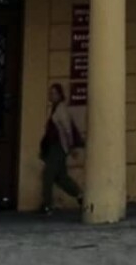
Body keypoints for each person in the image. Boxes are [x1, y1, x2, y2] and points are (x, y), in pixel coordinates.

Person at [38, 83, 84, 214]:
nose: (51, 96)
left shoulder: (61, 110)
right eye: (50, 93)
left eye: (53, 93)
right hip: (54, 147)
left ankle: (47, 205)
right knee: (61, 177)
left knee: (48, 176)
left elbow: (67, 130)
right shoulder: (55, 109)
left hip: (57, 148)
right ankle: (79, 195)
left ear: (59, 95)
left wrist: (70, 147)